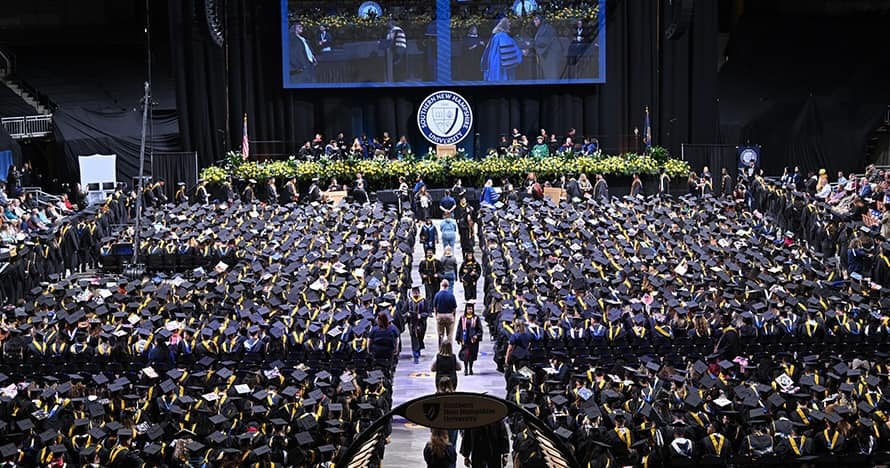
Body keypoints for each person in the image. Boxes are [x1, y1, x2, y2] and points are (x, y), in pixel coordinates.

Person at [529, 15, 565, 80]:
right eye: (534, 20)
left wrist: (532, 43)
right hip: (549, 57)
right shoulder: (542, 28)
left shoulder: (547, 28)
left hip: (552, 56)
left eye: (537, 20)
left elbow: (543, 41)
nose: (535, 21)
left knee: (552, 75)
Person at [404, 285, 429, 364]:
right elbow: (403, 312)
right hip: (412, 323)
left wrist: (421, 315)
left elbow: (427, 312)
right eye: (414, 292)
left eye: (417, 292)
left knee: (420, 337)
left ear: (419, 292)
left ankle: (418, 349)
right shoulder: (409, 301)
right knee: (414, 337)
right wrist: (407, 314)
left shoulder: (423, 301)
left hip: (421, 323)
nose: (415, 294)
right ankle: (415, 354)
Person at [455, 303, 483, 375]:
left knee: (472, 355)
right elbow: (459, 328)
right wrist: (458, 338)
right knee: (465, 355)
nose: (469, 310)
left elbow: (480, 329)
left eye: (471, 309)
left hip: (473, 340)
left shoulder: (476, 318)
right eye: (468, 309)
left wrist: (477, 336)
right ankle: (466, 369)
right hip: (465, 339)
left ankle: (470, 368)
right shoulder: (462, 318)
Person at [433, 279, 458, 344]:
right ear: (448, 286)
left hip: (440, 315)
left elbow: (435, 308)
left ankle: (441, 350)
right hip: (449, 316)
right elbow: (454, 308)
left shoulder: (437, 295)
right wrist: (454, 317)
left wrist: (436, 316)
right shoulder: (451, 295)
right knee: (450, 335)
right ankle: (449, 350)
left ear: (441, 285)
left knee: (440, 334)